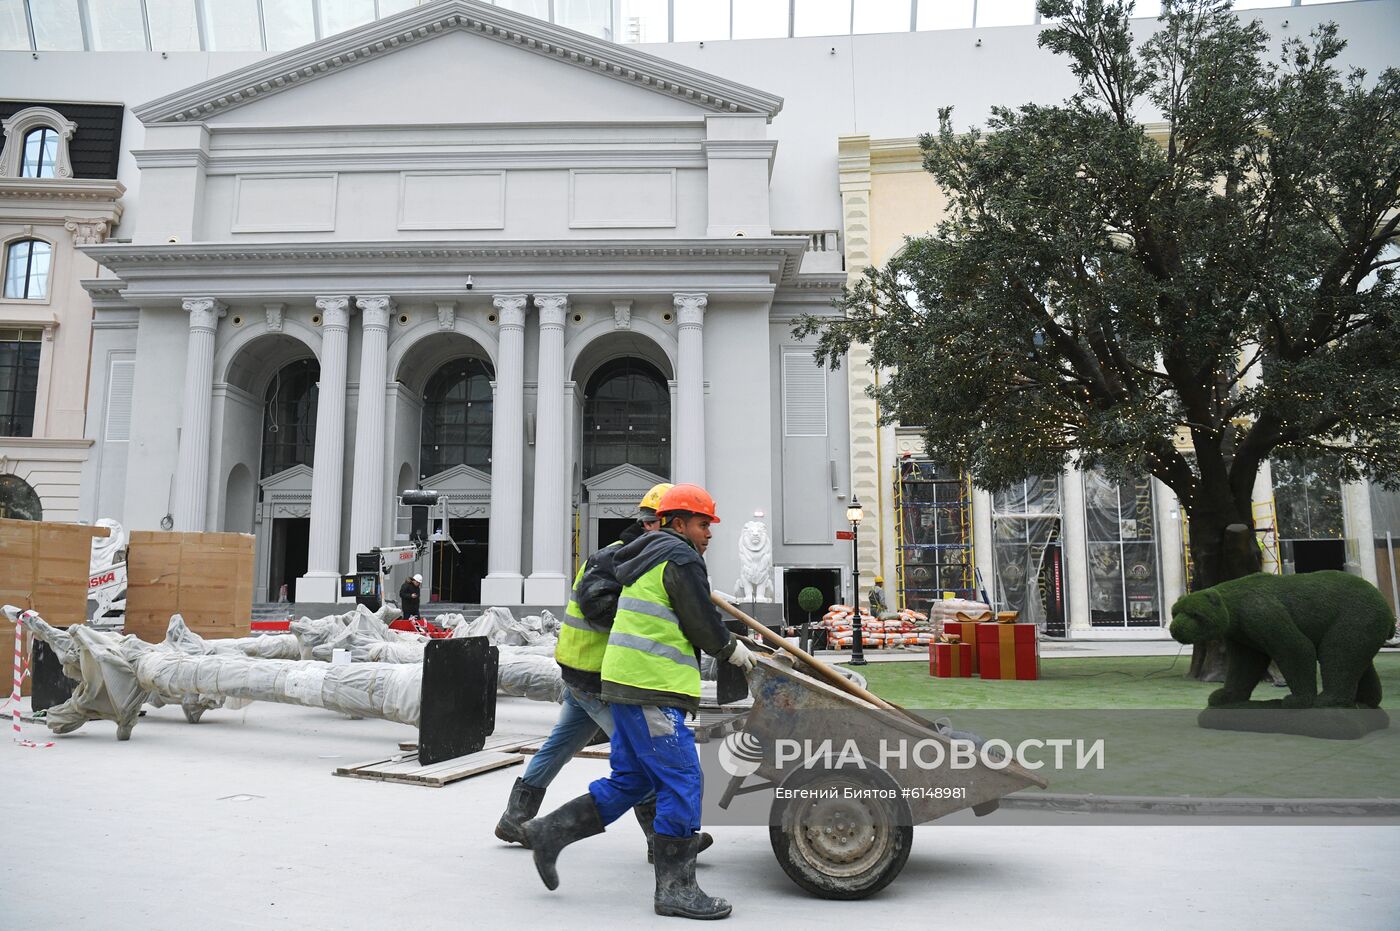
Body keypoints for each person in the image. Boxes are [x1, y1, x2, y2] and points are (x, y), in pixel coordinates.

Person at [524, 483, 757, 921]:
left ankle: (548, 832)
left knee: (632, 779)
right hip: (651, 687)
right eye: (704, 523)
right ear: (681, 522)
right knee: (683, 780)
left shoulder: (644, 555)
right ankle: (676, 890)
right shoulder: (680, 556)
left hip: (626, 683)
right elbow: (700, 623)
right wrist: (731, 649)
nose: (709, 533)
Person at [495, 483, 713, 864]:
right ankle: (657, 840)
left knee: (561, 744)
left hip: (585, 670)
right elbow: (599, 606)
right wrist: (655, 617)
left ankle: (516, 818)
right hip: (599, 676)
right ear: (651, 525)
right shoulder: (618, 558)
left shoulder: (634, 556)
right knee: (647, 759)